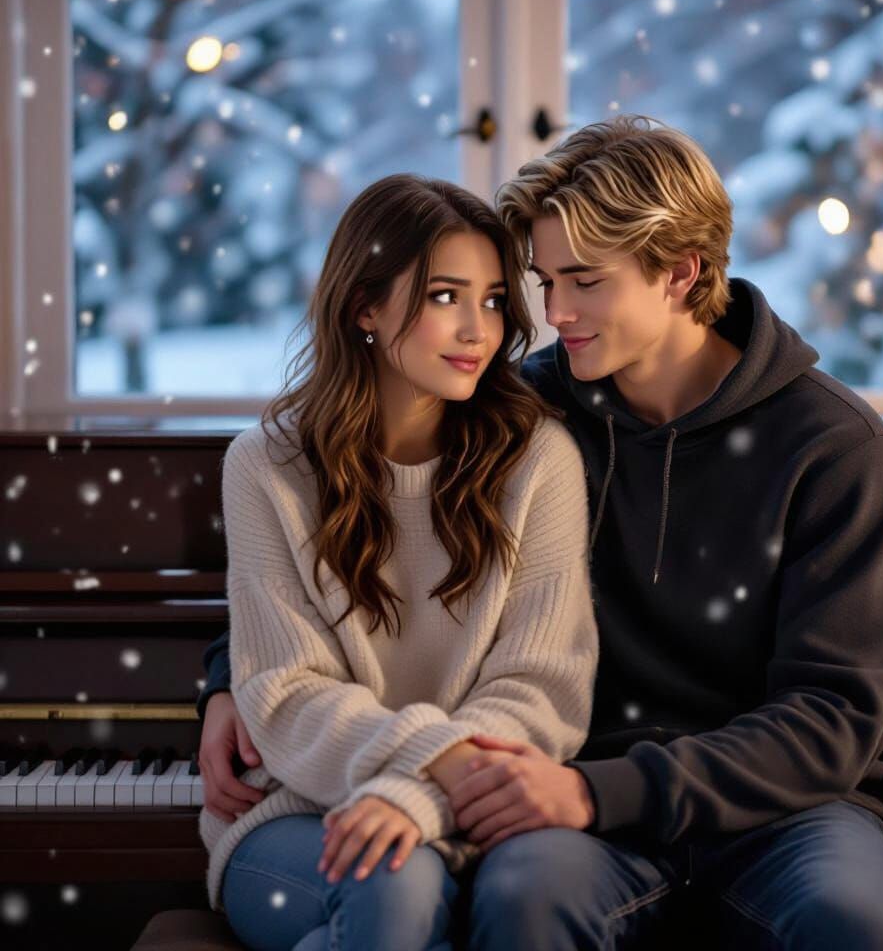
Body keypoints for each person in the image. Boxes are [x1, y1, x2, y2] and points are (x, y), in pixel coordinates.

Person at [199, 116, 883, 950]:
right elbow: (341, 518)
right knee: (523, 907)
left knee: (858, 924)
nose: (553, 314)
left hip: (784, 809)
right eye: (543, 283)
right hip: (572, 801)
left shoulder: (832, 444)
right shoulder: (524, 414)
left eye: (583, 281)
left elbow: (831, 713)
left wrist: (601, 792)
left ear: (681, 274)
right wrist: (227, 677)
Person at [196, 172, 599, 951]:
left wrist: (419, 797)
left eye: (491, 300)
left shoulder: (538, 458)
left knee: (404, 889)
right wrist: (439, 762)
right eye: (446, 296)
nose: (479, 330)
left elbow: (542, 686)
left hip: (481, 814)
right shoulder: (265, 468)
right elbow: (286, 696)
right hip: (297, 818)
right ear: (365, 308)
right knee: (395, 882)